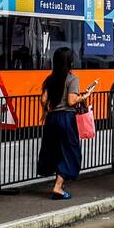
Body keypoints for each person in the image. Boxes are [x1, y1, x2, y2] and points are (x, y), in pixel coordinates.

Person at [36, 47, 85, 200]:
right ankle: (58, 186)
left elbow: (43, 99)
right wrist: (84, 97)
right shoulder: (72, 79)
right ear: (70, 62)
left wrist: (47, 110)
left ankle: (59, 184)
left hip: (51, 119)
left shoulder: (50, 79)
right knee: (70, 151)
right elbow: (71, 101)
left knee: (55, 150)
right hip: (66, 119)